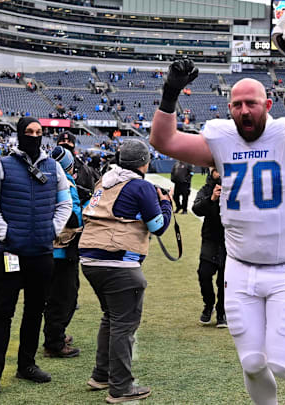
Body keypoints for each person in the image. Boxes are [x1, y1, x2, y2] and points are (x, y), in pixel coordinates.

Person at [149, 56, 285, 405]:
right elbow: (164, 141)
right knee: (251, 363)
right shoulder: (221, 141)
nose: (244, 111)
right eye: (237, 104)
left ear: (268, 104)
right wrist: (171, 92)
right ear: (229, 108)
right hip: (240, 266)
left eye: (251, 103)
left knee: (282, 364)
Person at [0, 117, 72, 394]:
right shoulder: (2, 166)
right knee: (3, 312)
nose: (34, 136)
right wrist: (5, 234)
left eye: (39, 132)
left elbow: (64, 202)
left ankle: (26, 365)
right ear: (19, 134)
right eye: (29, 132)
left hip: (41, 253)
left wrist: (51, 230)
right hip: (10, 253)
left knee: (34, 311)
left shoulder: (54, 168)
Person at [79, 139, 172, 403]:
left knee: (110, 317)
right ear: (145, 162)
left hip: (90, 258)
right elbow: (158, 227)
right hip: (118, 261)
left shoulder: (104, 181)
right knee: (123, 325)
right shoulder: (140, 185)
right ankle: (120, 387)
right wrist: (165, 203)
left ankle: (102, 375)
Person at [42, 146, 83, 358]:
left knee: (57, 296)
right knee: (63, 297)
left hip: (50, 248)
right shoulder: (64, 182)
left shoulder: (47, 179)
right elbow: (73, 217)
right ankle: (54, 343)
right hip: (62, 248)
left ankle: (56, 335)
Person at [191, 167, 227, 327]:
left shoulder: (236, 188)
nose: (218, 173)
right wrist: (211, 198)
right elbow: (196, 209)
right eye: (216, 170)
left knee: (224, 280)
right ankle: (209, 304)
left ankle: (222, 312)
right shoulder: (206, 189)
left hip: (230, 241)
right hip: (211, 239)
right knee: (204, 274)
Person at [57, 132, 100, 205]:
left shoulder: (83, 168)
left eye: (69, 142)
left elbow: (91, 192)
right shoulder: (48, 166)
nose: (66, 143)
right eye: (63, 141)